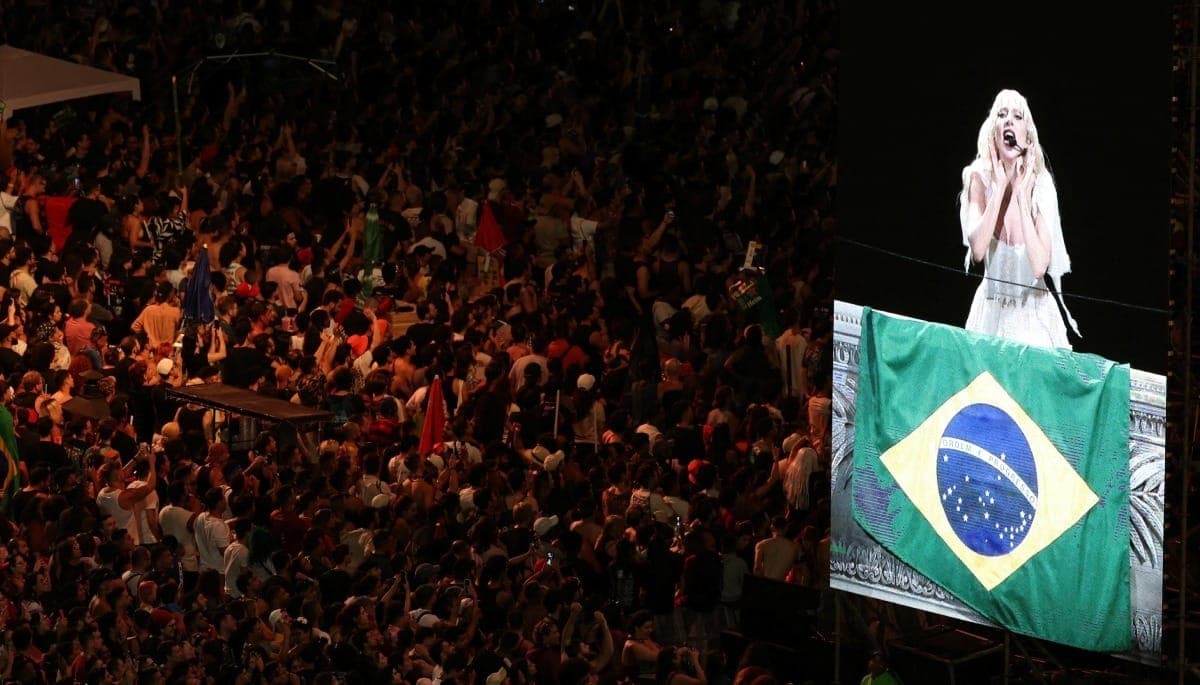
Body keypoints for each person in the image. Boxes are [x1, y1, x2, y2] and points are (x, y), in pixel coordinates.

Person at [959, 89, 1078, 350]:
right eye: (1002, 115)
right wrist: (1000, 186)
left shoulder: (1042, 186)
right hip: (989, 314)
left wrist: (1023, 195)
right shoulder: (979, 177)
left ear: (1027, 136)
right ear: (994, 131)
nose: (1009, 121)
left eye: (1017, 116)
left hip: (1033, 316)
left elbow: (1038, 266)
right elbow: (978, 249)